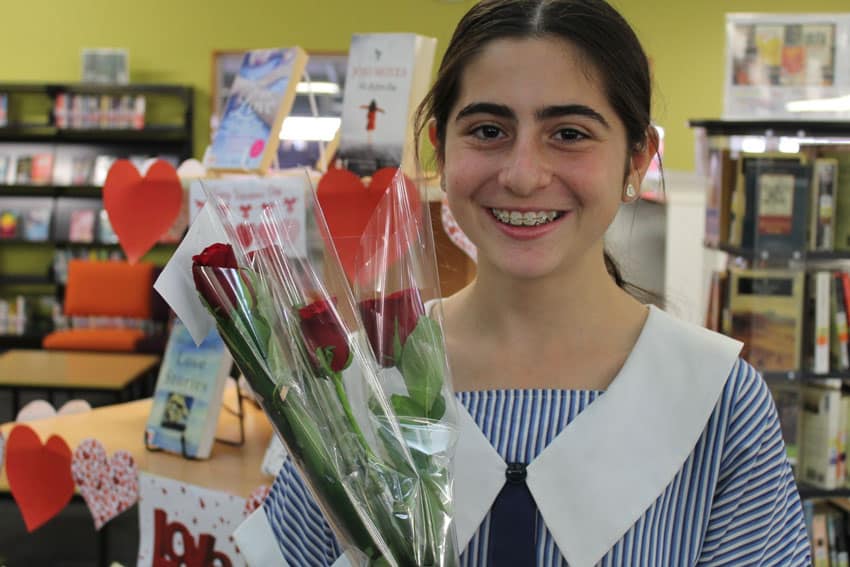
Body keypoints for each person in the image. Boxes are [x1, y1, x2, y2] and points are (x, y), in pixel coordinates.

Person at [252, 0, 811, 565]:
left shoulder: (719, 403)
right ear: (439, 148)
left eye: (569, 133)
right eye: (489, 130)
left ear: (638, 159)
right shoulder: (357, 381)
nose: (522, 175)